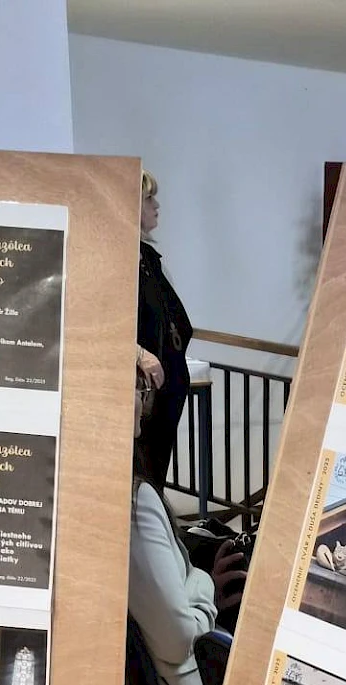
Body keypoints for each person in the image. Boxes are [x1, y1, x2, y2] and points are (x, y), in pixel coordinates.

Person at [127, 356, 247, 685]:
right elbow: (178, 640)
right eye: (138, 387)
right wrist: (203, 582)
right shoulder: (135, 502)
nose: (144, 401)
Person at [136, 170, 194, 489]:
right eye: (149, 199)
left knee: (154, 476)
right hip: (143, 395)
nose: (156, 205)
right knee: (142, 477)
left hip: (164, 392)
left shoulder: (148, 257)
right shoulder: (122, 258)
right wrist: (138, 354)